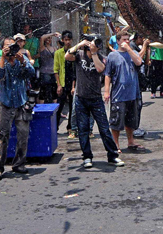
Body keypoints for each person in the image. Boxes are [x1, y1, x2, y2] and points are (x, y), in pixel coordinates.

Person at [65, 38, 123, 168]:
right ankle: (87, 157)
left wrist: (94, 53)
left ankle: (112, 155)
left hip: (96, 98)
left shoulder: (101, 57)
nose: (93, 45)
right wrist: (79, 44)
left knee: (104, 128)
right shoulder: (79, 55)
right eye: (91, 43)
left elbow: (100, 69)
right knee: (83, 129)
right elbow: (67, 56)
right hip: (81, 98)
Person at [0, 38, 36, 181]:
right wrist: (4, 58)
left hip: (21, 103)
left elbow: (31, 72)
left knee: (23, 135)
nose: (10, 49)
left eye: (12, 47)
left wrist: (23, 60)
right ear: (2, 48)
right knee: (2, 136)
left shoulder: (21, 58)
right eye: (7, 47)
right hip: (6, 103)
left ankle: (19, 164)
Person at [104, 32, 145, 153]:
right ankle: (115, 144)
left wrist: (129, 50)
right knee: (116, 121)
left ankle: (130, 141)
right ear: (118, 41)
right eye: (124, 39)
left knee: (131, 121)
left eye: (128, 39)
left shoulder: (133, 53)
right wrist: (106, 92)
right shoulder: (112, 55)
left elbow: (138, 62)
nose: (126, 42)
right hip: (119, 94)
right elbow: (107, 75)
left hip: (133, 93)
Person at [54, 31, 75, 137]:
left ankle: (70, 127)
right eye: (65, 40)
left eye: (69, 40)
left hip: (72, 81)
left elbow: (75, 70)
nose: (67, 42)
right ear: (62, 40)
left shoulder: (74, 52)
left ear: (71, 40)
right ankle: (55, 127)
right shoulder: (58, 53)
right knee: (59, 105)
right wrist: (58, 85)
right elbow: (56, 70)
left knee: (72, 106)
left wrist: (74, 85)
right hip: (62, 82)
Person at [36, 32, 59, 103]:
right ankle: (41, 109)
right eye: (47, 38)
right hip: (45, 72)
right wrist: (52, 34)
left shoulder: (54, 48)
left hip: (53, 72)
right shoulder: (42, 48)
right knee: (43, 91)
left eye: (50, 38)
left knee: (54, 91)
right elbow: (42, 37)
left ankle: (55, 110)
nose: (49, 40)